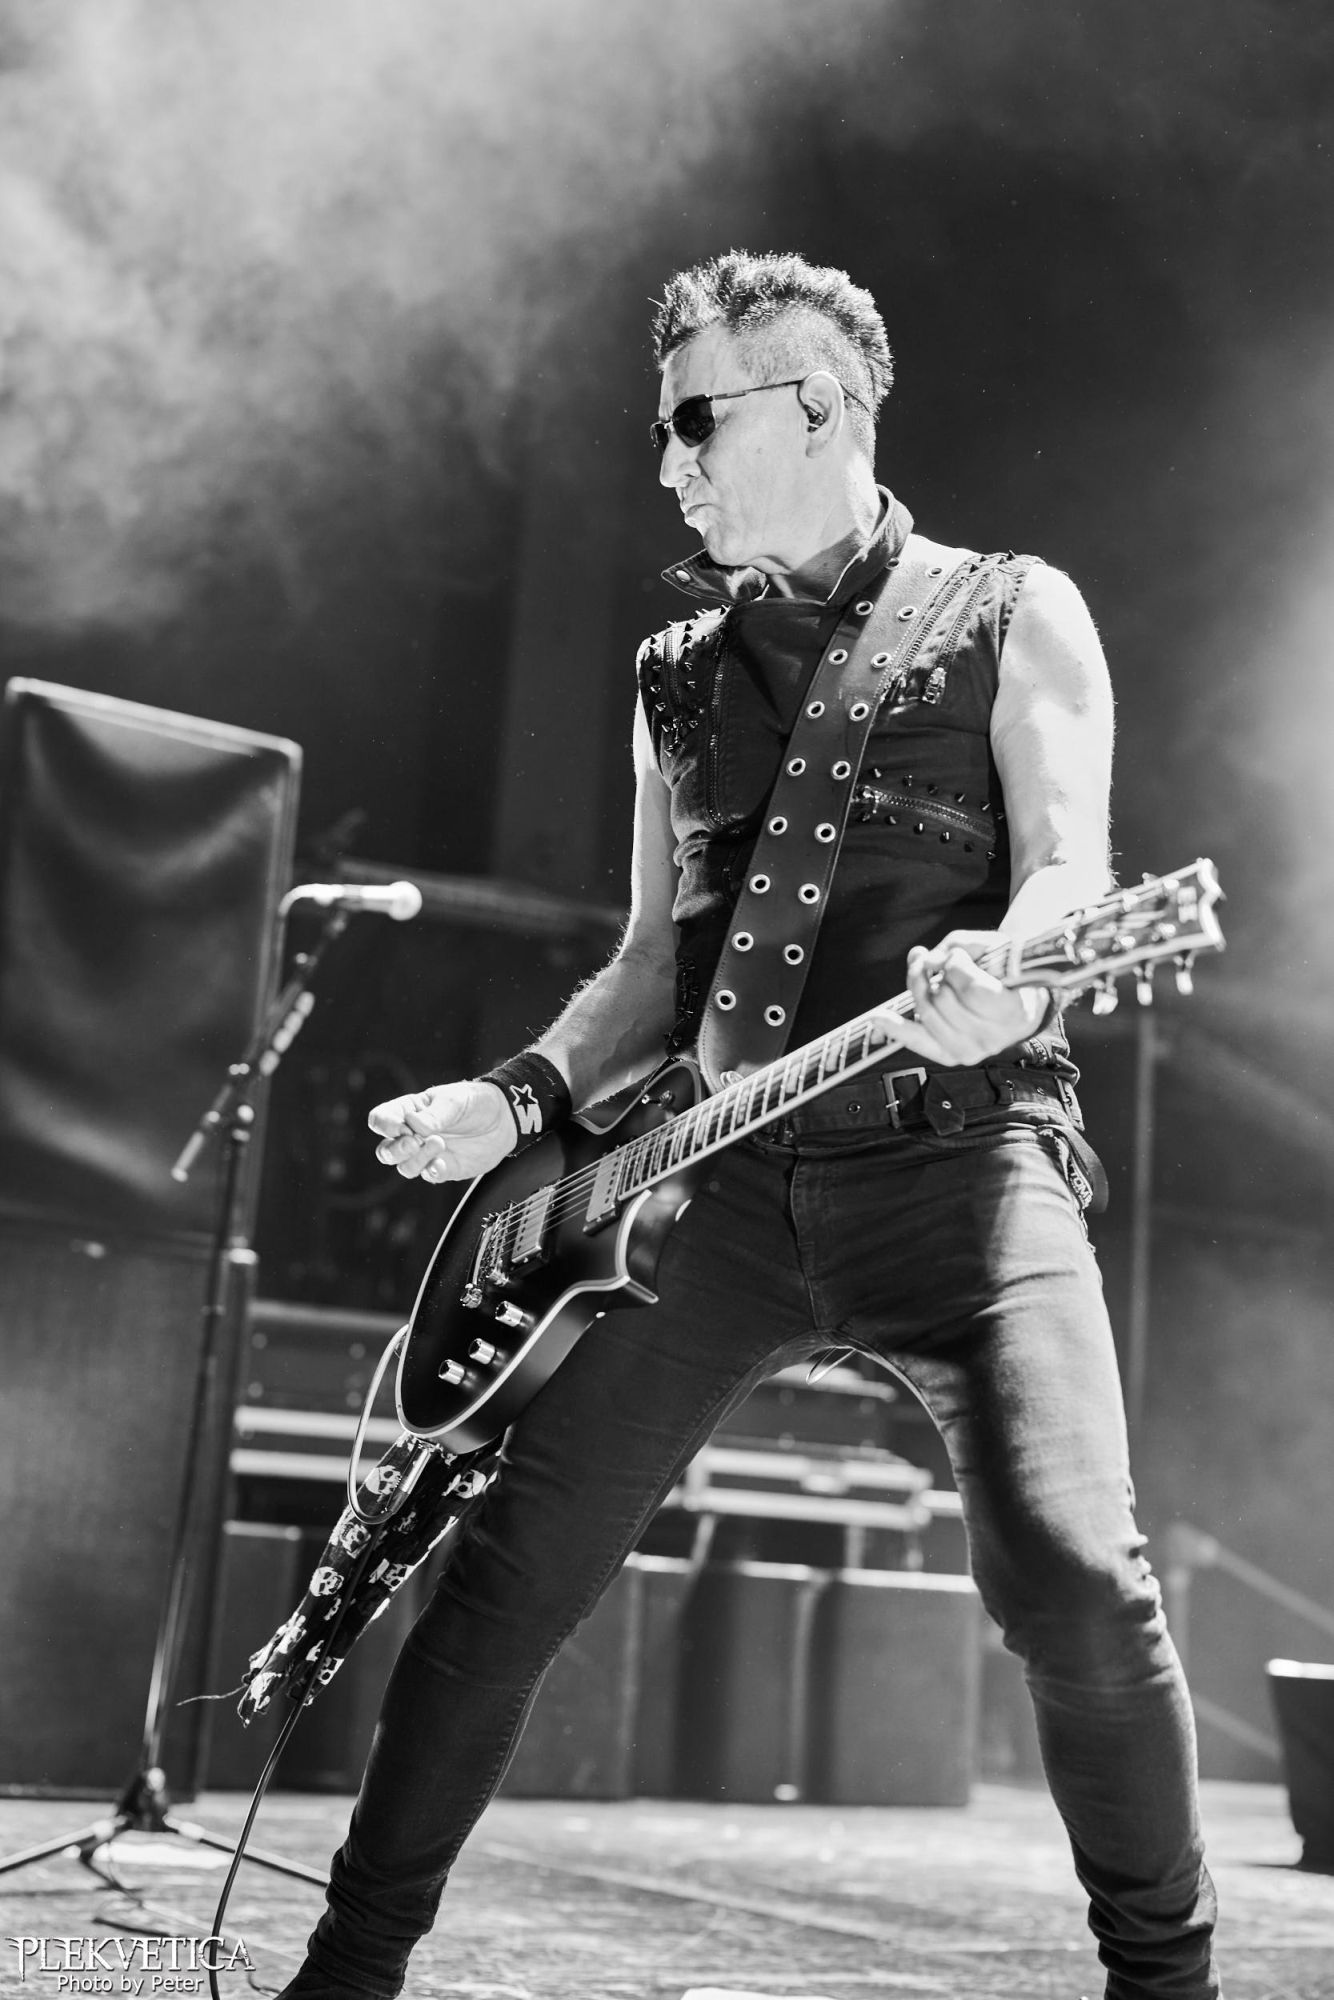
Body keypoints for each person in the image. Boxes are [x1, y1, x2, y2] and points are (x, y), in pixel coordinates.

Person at [280, 251, 1220, 2000]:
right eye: (664, 431)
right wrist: (515, 1097)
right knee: (501, 1584)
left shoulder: (1012, 608)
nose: (669, 466)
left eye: (696, 422)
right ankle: (345, 1974)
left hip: (963, 1163)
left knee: (1077, 1583)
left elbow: (1072, 870)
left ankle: (1168, 1985)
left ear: (821, 407)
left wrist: (1009, 976)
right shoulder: (674, 673)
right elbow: (655, 960)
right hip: (712, 1192)